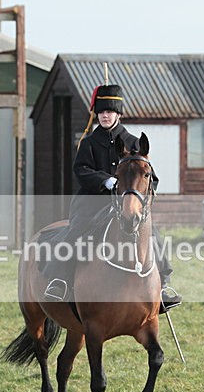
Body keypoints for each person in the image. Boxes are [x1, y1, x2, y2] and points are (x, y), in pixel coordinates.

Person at [42, 83, 182, 311]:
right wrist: (106, 181)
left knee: (153, 235)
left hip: (128, 204)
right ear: (97, 114)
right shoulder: (88, 143)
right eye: (102, 112)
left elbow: (151, 178)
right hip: (92, 203)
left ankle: (164, 286)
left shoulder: (135, 142)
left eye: (110, 112)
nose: (105, 116)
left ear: (118, 113)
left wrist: (138, 192)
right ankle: (59, 281)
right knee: (75, 232)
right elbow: (81, 171)